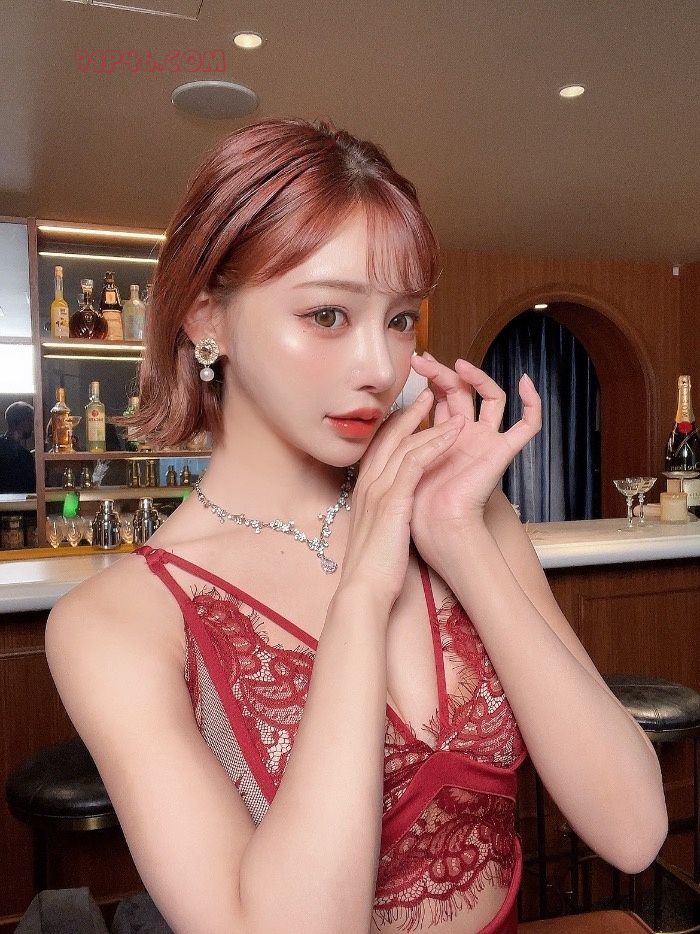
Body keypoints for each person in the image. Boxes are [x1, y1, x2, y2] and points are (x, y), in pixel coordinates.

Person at [45, 118, 667, 934]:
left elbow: (632, 830)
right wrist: (365, 590)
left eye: (400, 319)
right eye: (328, 315)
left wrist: (459, 538)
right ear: (206, 320)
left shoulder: (462, 512)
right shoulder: (116, 620)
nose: (379, 367)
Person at [0, 401, 36, 493]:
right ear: (22, 421)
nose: (32, 426)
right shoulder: (24, 455)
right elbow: (30, 489)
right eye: (30, 421)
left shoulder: (24, 454)